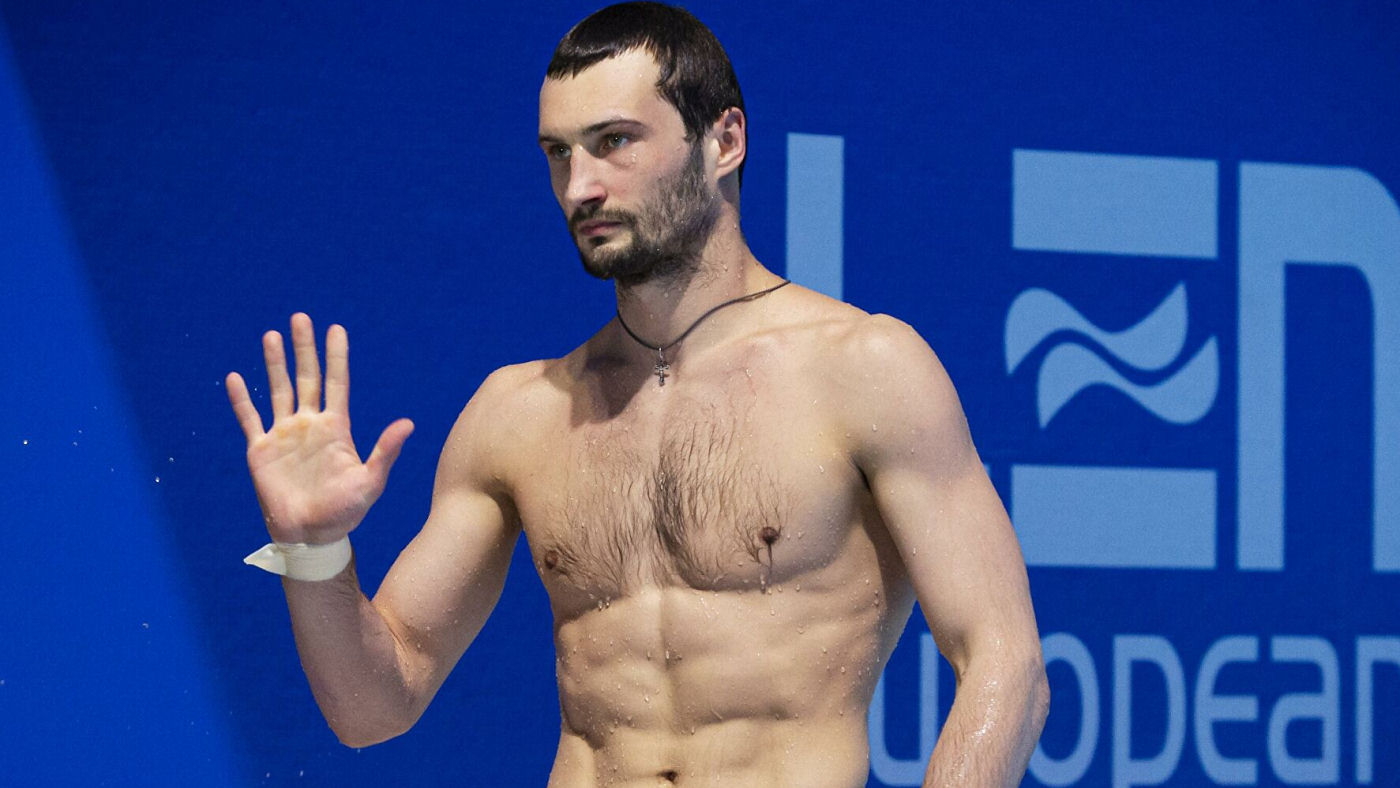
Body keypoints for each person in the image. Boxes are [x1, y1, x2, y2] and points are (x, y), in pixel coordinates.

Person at [225, 3, 1049, 786]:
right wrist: (314, 550)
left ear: (724, 141)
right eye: (559, 153)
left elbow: (1005, 661)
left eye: (614, 141)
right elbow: (374, 707)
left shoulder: (864, 369)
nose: (579, 186)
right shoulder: (520, 413)